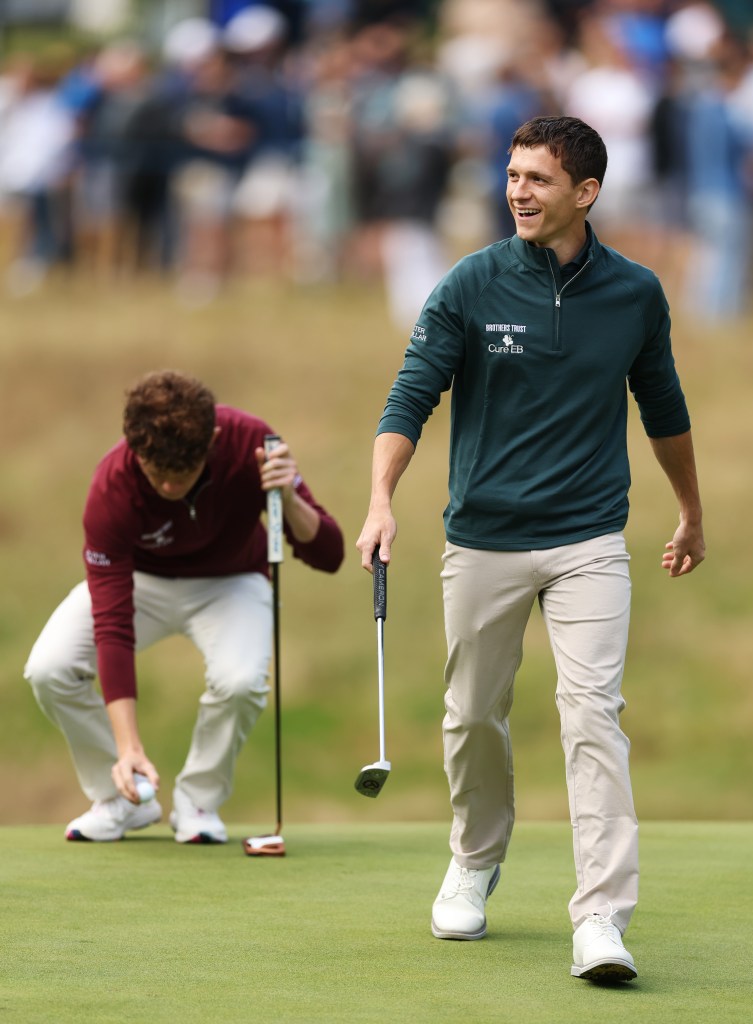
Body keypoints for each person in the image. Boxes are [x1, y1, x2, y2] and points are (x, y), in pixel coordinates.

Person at [356, 116, 704, 983]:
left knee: (592, 716)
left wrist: (691, 512)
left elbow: (664, 410)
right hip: (483, 538)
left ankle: (601, 919)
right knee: (472, 714)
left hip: (590, 537)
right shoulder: (470, 285)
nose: (518, 190)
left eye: (538, 179)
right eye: (513, 175)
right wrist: (379, 501)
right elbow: (410, 399)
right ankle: (475, 861)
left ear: (585, 193)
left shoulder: (635, 294)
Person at [25, 370, 343, 843]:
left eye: (182, 475)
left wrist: (288, 497)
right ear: (134, 449)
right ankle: (122, 797)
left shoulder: (254, 444)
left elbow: (329, 555)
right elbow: (113, 624)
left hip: (232, 581)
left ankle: (197, 801)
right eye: (158, 476)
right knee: (49, 668)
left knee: (239, 681)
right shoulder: (110, 489)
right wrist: (128, 745)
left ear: (212, 440)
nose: (170, 488)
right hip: (141, 582)